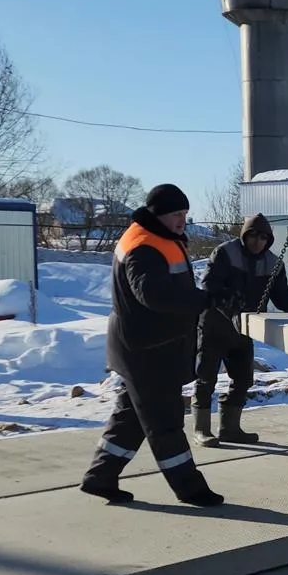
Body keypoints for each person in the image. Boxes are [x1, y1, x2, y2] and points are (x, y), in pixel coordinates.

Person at [82, 184, 222, 507]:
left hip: (147, 346)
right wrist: (202, 300)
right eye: (176, 214)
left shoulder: (158, 238)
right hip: (145, 349)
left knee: (131, 417)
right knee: (165, 421)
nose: (182, 221)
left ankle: (100, 476)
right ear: (159, 214)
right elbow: (153, 294)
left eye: (185, 214)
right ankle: (191, 488)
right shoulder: (144, 246)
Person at [194, 213, 288, 446]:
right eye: (254, 236)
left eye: (264, 238)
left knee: (243, 379)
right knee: (206, 377)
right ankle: (201, 429)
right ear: (245, 235)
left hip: (245, 328)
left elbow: (283, 298)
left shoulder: (272, 263)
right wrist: (228, 299)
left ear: (269, 240)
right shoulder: (225, 253)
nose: (258, 242)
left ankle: (229, 428)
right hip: (215, 325)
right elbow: (209, 285)